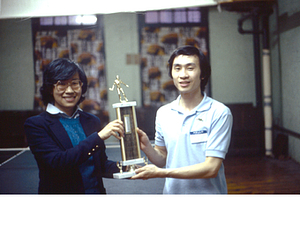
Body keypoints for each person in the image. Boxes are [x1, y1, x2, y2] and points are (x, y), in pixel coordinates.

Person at [132, 45, 233, 194]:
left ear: (203, 74)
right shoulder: (163, 113)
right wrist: (147, 146)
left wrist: (162, 173)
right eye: (177, 68)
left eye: (190, 68)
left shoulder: (219, 112)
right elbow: (163, 159)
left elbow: (211, 168)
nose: (183, 75)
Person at [24, 58, 124, 194]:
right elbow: (58, 162)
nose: (70, 90)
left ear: (82, 86)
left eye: (75, 83)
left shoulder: (92, 120)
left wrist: (128, 167)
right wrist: (98, 137)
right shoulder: (36, 125)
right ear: (50, 87)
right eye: (62, 84)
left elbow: (100, 165)